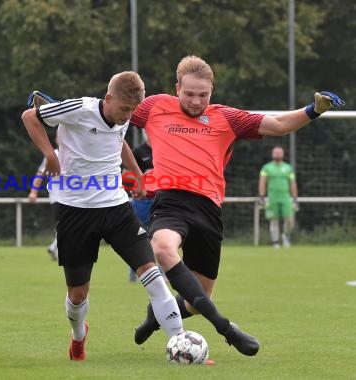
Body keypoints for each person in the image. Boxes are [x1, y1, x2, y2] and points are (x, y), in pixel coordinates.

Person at [129, 55, 344, 353]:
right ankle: (226, 328)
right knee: (162, 248)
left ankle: (155, 316)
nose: (195, 101)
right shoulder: (154, 106)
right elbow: (109, 108)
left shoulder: (226, 117)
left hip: (208, 209)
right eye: (189, 93)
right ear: (177, 87)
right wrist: (57, 111)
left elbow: (279, 124)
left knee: (196, 299)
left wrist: (314, 110)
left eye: (203, 95)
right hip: (170, 202)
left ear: (212, 91)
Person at [21, 72, 188, 362]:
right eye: (124, 109)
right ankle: (78, 334)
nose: (128, 117)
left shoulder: (122, 118)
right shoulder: (79, 109)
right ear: (108, 99)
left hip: (116, 208)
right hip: (75, 211)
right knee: (77, 296)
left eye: (133, 111)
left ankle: (180, 343)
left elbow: (117, 139)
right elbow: (29, 117)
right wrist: (50, 155)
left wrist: (136, 172)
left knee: (153, 275)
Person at [28, 131, 60, 261]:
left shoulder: (77, 153)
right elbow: (40, 174)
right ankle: (54, 247)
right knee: (69, 225)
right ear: (57, 140)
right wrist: (33, 192)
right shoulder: (53, 155)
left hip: (74, 197)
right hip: (59, 197)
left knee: (67, 225)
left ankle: (55, 249)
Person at [258, 146, 298, 249]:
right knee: (273, 220)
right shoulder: (266, 168)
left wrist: (295, 197)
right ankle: (275, 242)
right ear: (272, 154)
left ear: (283, 154)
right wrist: (262, 196)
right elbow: (262, 182)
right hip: (272, 197)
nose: (277, 154)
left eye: (279, 152)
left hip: (285, 197)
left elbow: (292, 183)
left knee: (289, 219)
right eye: (275, 152)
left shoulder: (288, 168)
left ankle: (285, 236)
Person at [127, 132, 154, 282]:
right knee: (140, 236)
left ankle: (162, 273)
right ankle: (133, 271)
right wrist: (144, 175)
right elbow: (127, 175)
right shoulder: (138, 152)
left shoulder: (163, 149)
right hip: (142, 201)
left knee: (159, 236)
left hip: (161, 200)